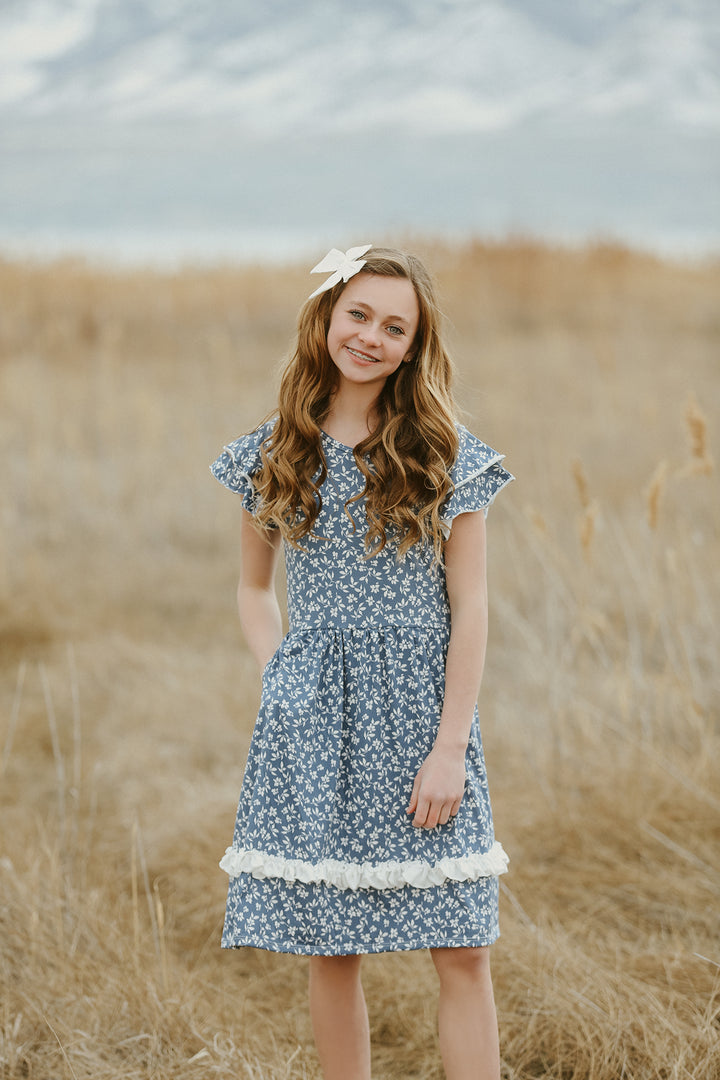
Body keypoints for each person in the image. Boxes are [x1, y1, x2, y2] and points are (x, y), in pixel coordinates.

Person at [211, 244, 514, 1080]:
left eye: (395, 326)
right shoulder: (275, 450)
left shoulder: (445, 452)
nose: (371, 337)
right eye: (359, 315)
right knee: (331, 949)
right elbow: (252, 589)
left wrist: (451, 744)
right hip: (317, 721)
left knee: (461, 946)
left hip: (425, 719)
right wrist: (284, 677)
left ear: (414, 346)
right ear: (327, 318)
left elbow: (473, 609)